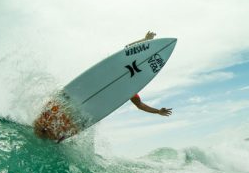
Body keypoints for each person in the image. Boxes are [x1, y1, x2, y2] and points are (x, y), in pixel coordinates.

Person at [33, 31, 172, 142]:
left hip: (81, 112)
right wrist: (145, 40)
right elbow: (128, 50)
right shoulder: (119, 68)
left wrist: (157, 111)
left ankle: (50, 134)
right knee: (38, 130)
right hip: (78, 100)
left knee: (44, 135)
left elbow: (140, 105)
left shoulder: (130, 91)